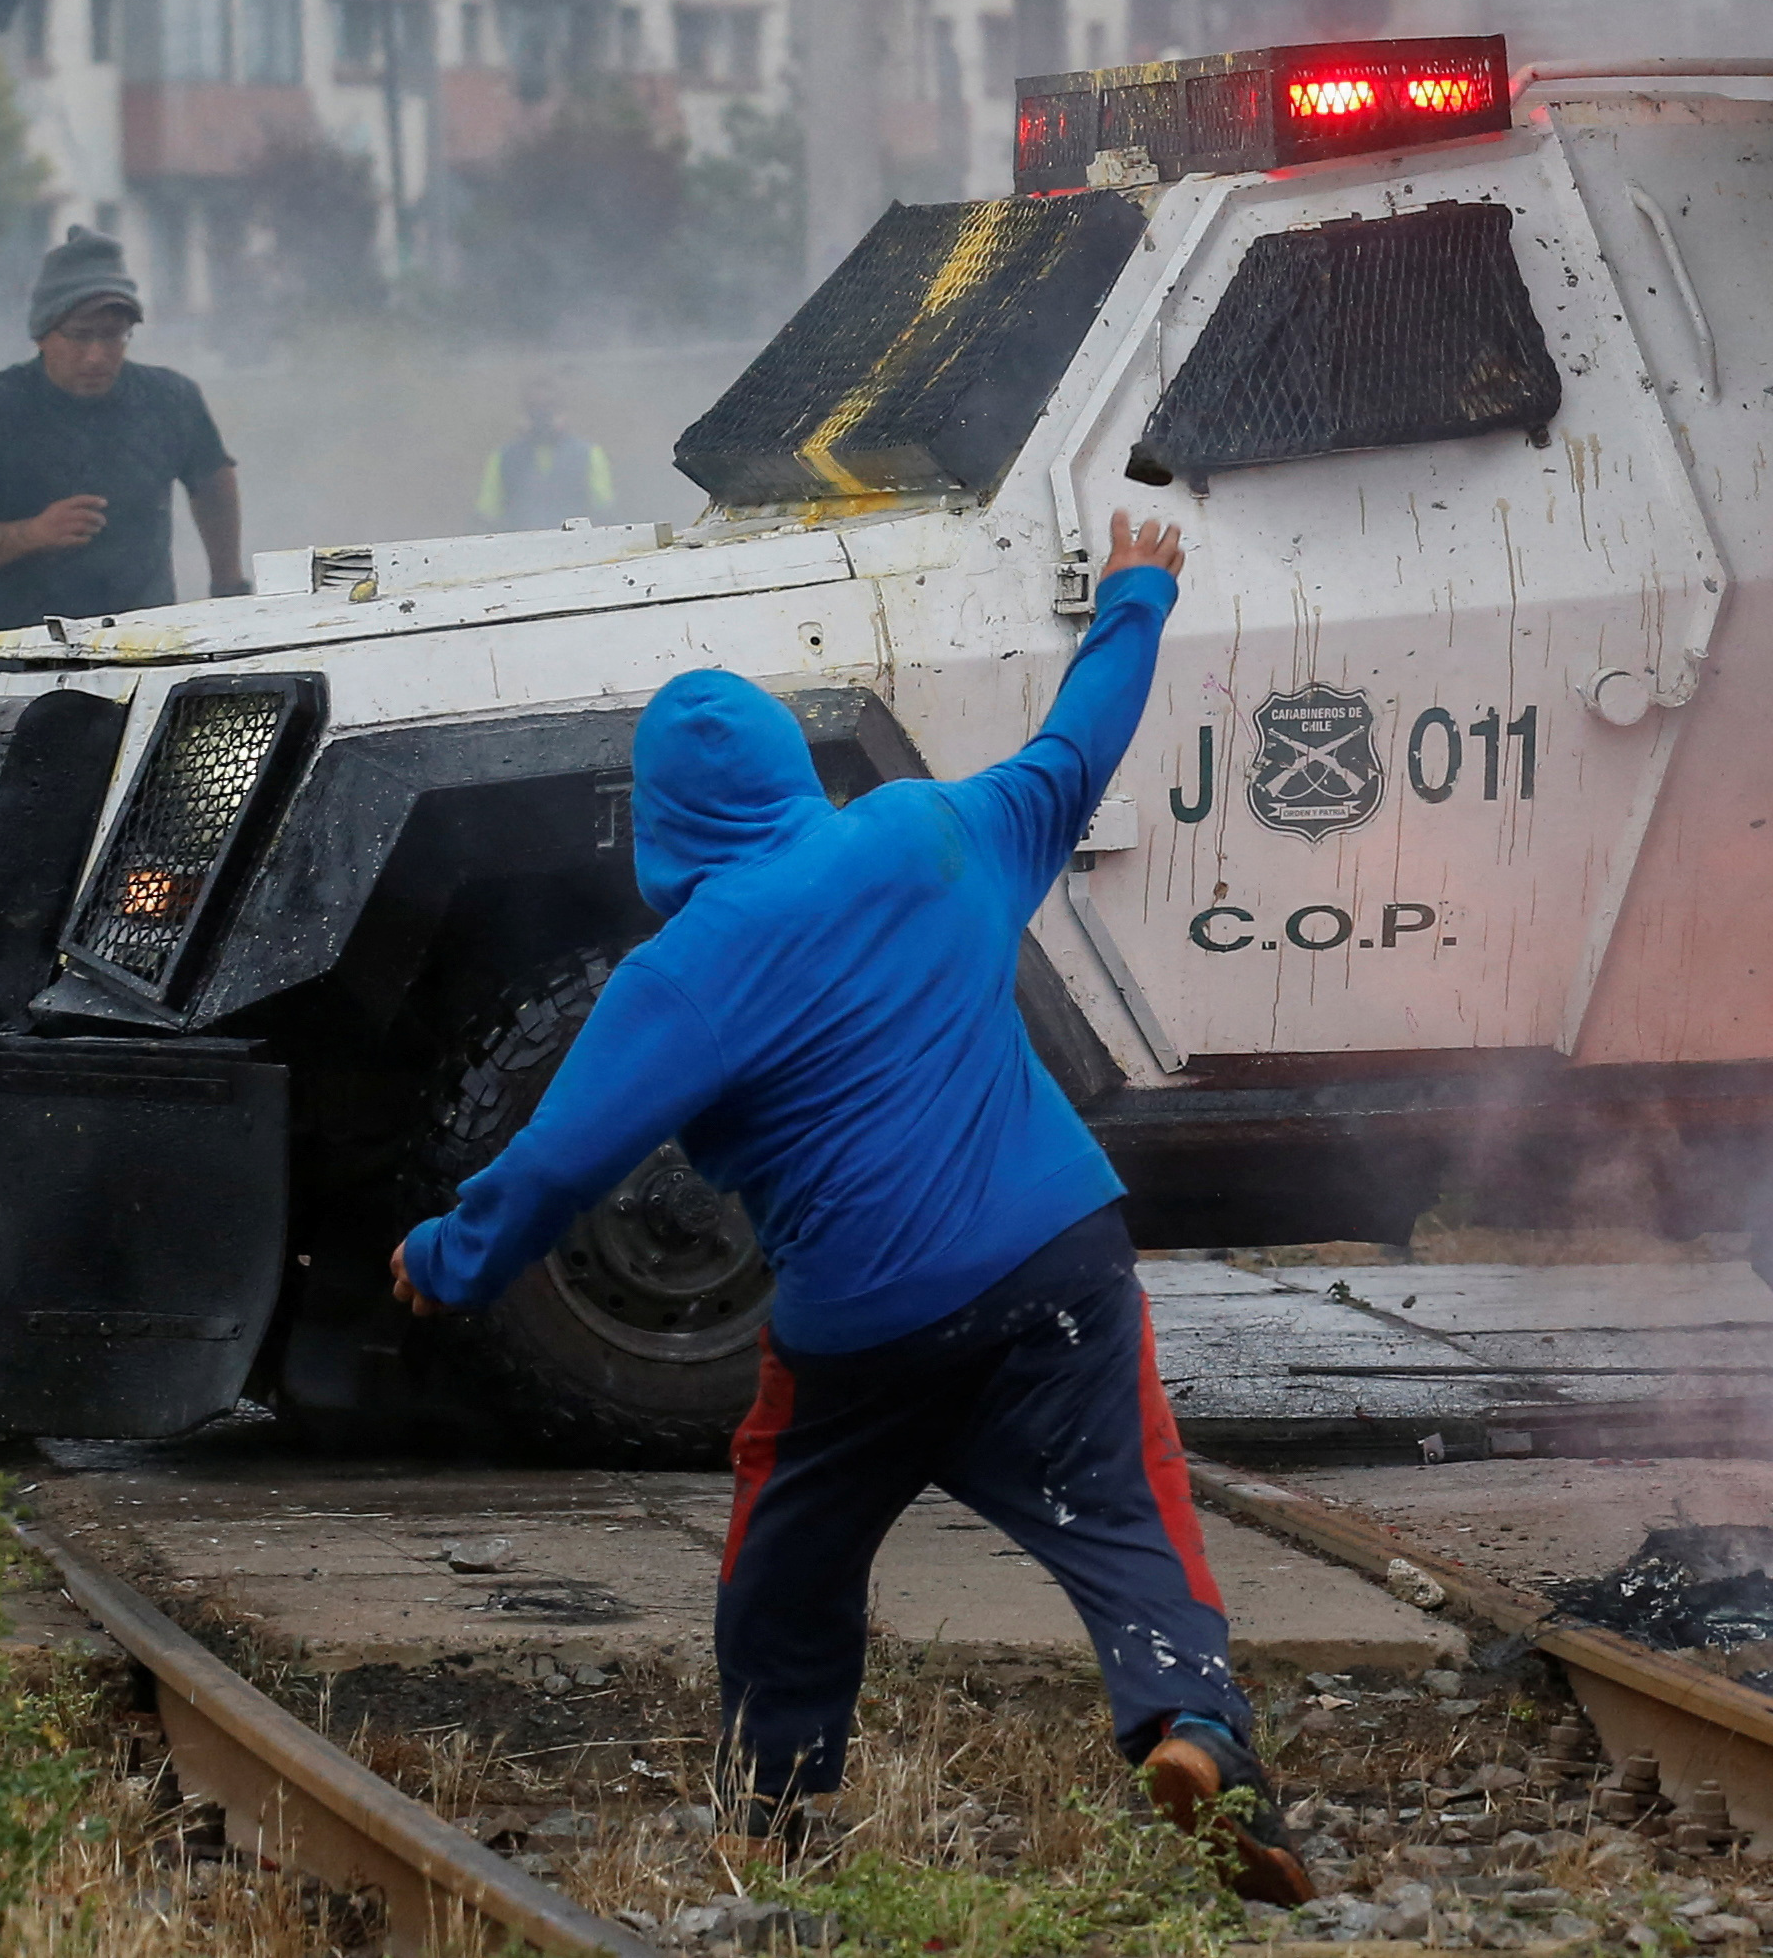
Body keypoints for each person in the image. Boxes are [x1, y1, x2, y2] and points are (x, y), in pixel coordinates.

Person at [387, 513, 1307, 1902]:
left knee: (790, 1548)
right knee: (1128, 1505)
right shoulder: (931, 829)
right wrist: (1134, 597)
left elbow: (559, 1160)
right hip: (1060, 1254)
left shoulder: (681, 971)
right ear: (787, 772)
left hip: (863, 1324)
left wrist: (447, 1260)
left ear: (659, 823)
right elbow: (1074, 750)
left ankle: (767, 1808)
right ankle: (1194, 1727)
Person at [0, 226, 244, 692]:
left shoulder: (170, 399)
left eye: (114, 336)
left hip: (143, 660)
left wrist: (228, 587)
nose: (97, 355)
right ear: (43, 334)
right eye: (80, 336)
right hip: (19, 669)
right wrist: (33, 533)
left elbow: (213, 480)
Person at [478, 379, 616, 531]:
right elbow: (487, 515)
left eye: (549, 408)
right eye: (533, 408)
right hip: (519, 546)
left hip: (577, 546)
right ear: (523, 414)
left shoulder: (589, 455)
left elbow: (605, 511)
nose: (541, 416)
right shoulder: (503, 458)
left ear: (564, 412)